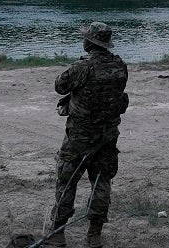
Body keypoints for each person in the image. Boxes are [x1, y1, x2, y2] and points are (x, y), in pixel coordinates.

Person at [44, 21, 129, 248]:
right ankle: (94, 234)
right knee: (101, 181)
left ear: (90, 42)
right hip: (107, 135)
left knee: (66, 180)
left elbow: (60, 86)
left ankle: (58, 232)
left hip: (80, 137)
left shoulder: (83, 67)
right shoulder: (120, 66)